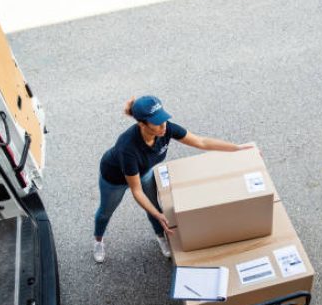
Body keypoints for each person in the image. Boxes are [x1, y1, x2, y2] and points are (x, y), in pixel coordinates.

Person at [93, 95, 251, 262]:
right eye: (157, 122)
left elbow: (201, 142)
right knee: (105, 212)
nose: (163, 126)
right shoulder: (128, 147)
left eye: (164, 119)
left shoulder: (166, 129)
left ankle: (161, 236)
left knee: (154, 206)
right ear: (141, 124)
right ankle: (98, 240)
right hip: (114, 178)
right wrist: (158, 215)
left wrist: (237, 148)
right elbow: (136, 191)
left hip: (143, 170)